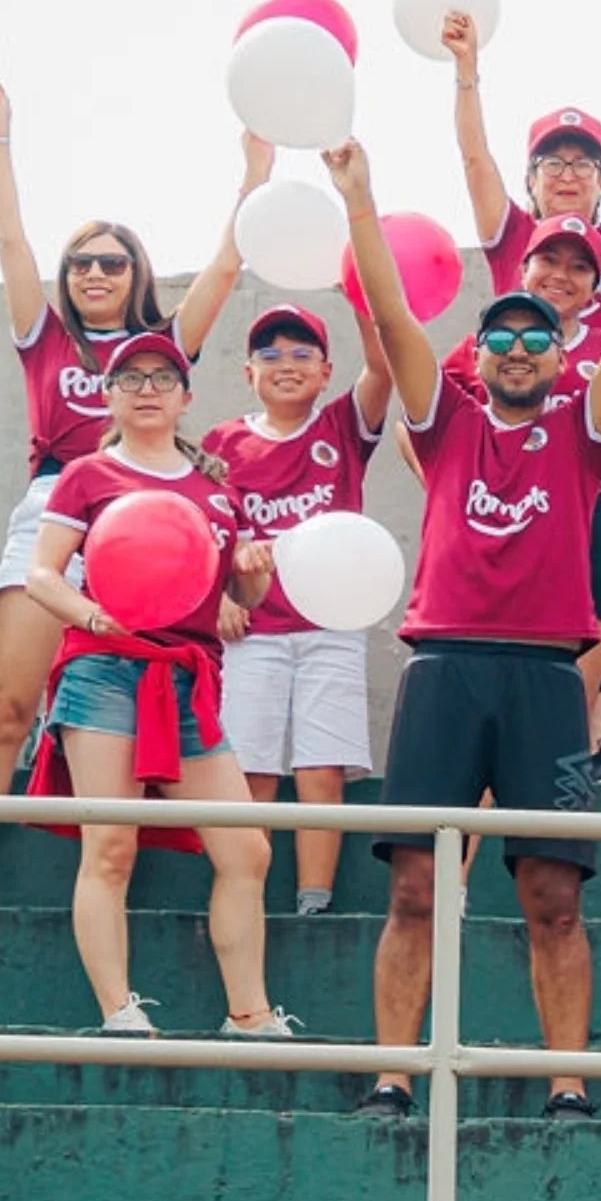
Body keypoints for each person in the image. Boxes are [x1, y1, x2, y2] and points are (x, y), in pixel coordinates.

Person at [325, 138, 601, 1121]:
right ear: (482, 350)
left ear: (559, 350)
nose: (523, 348)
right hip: (444, 670)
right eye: (505, 335)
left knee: (554, 896)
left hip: (546, 683)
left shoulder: (587, 428)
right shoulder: (444, 416)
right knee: (415, 886)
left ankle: (569, 1086)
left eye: (540, 337)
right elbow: (395, 318)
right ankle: (392, 1077)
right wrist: (360, 199)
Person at [0, 77, 256, 908]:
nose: (94, 273)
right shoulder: (45, 337)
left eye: (113, 261)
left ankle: (117, 871)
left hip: (148, 528)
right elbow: (9, 242)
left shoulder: (161, 347)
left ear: (137, 272)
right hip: (54, 514)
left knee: (142, 698)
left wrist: (256, 174)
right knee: (4, 706)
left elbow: (225, 266)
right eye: (80, 262)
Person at [25, 331, 296, 1037]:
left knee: (246, 850)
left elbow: (245, 594)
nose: (147, 388)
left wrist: (256, 571)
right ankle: (118, 1010)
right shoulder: (86, 474)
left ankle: (249, 1016)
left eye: (162, 376)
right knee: (109, 846)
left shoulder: (215, 489)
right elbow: (41, 573)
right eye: (131, 377)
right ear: (110, 395)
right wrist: (92, 614)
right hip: (105, 669)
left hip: (188, 679)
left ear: (185, 396)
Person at [443, 13, 601, 777]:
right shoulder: (512, 235)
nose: (568, 171)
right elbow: (472, 156)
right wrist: (467, 71)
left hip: (591, 448)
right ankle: (516, 735)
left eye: (584, 161)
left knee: (599, 587)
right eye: (552, 161)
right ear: (531, 179)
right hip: (506, 453)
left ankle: (590, 740)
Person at [202, 303, 392, 915]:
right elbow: (210, 530)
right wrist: (221, 597)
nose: (287, 365)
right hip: (254, 632)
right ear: (247, 371)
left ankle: (315, 898)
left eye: (303, 353)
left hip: (332, 627)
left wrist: (363, 300)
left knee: (321, 767)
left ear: (327, 369)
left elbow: (383, 369)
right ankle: (245, 890)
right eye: (271, 354)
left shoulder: (340, 426)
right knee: (250, 767)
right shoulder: (222, 442)